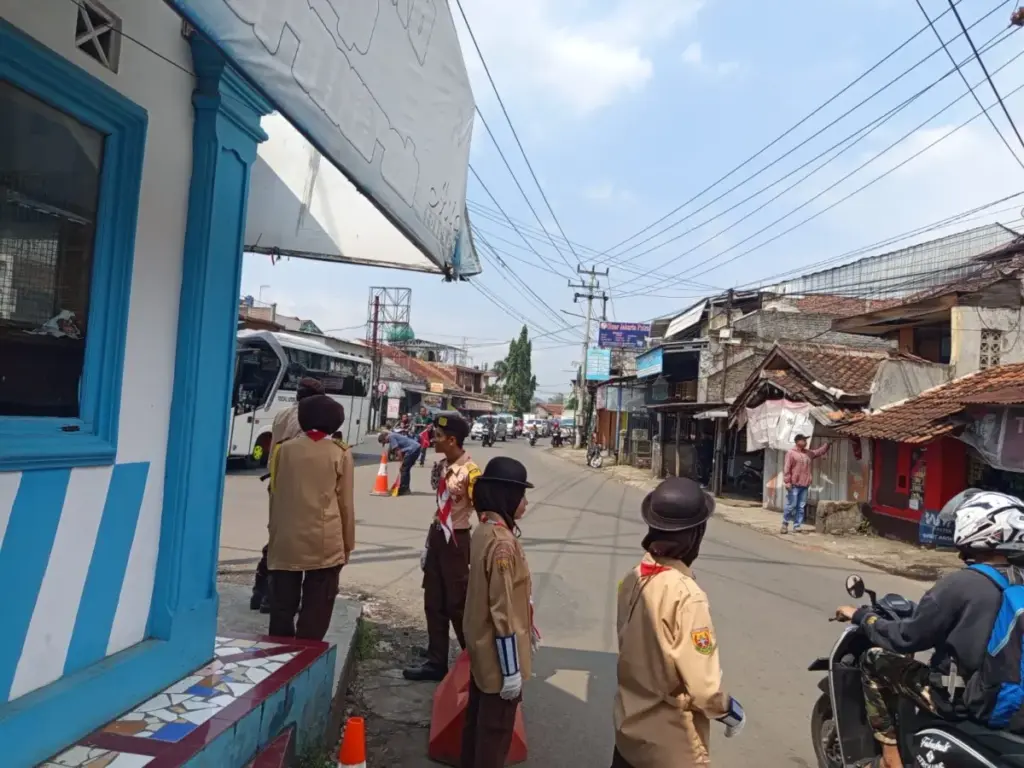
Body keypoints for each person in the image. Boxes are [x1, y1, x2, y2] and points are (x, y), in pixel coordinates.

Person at [834, 490, 1024, 768]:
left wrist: (863, 616)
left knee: (873, 660)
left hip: (959, 699)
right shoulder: (1019, 579)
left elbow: (906, 638)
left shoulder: (962, 583)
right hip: (1011, 700)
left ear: (975, 526)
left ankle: (890, 757)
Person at [612, 476, 745, 768]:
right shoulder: (687, 596)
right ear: (695, 535)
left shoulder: (633, 577)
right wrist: (730, 711)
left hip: (628, 733)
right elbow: (705, 690)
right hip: (671, 745)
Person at [461, 456, 536, 768]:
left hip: (480, 646)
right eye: (521, 495)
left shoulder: (484, 530)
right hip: (497, 655)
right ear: (507, 496)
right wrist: (511, 670)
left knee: (478, 723)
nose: (525, 503)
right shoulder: (503, 544)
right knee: (495, 733)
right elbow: (502, 611)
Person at [266, 394, 355, 640]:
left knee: (282, 606)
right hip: (324, 542)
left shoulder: (283, 450)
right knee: (317, 608)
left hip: (285, 540)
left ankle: (280, 651)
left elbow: (275, 494)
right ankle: (308, 653)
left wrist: (274, 532)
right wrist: (347, 545)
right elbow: (345, 505)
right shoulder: (340, 453)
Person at [404, 413, 482, 681]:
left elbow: (481, 510)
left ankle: (475, 664)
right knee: (433, 601)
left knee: (457, 603)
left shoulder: (471, 472)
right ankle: (436, 661)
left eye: (438, 436)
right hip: (438, 535)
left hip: (456, 541)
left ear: (452, 440)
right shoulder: (441, 465)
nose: (432, 440)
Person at [251, 377, 325, 612]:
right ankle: (271, 597)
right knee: (289, 544)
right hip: (297, 487)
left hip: (277, 483)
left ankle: (259, 591)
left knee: (277, 536)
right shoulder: (307, 420)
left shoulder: (283, 414)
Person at [781, 433, 831, 534]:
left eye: (805, 440)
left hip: (804, 484)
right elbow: (787, 468)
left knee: (801, 506)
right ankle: (785, 524)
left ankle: (797, 526)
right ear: (797, 441)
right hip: (794, 484)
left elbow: (818, 452)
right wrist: (787, 482)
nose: (805, 442)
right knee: (791, 505)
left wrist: (827, 445)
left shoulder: (808, 453)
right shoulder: (791, 453)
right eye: (803, 440)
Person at [379, 427, 422, 496]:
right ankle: (406, 488)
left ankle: (403, 489)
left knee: (404, 469)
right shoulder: (393, 435)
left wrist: (401, 461)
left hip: (412, 449)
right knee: (406, 469)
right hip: (416, 448)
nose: (387, 443)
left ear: (385, 438)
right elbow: (402, 449)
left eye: (385, 442)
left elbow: (398, 451)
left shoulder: (391, 437)